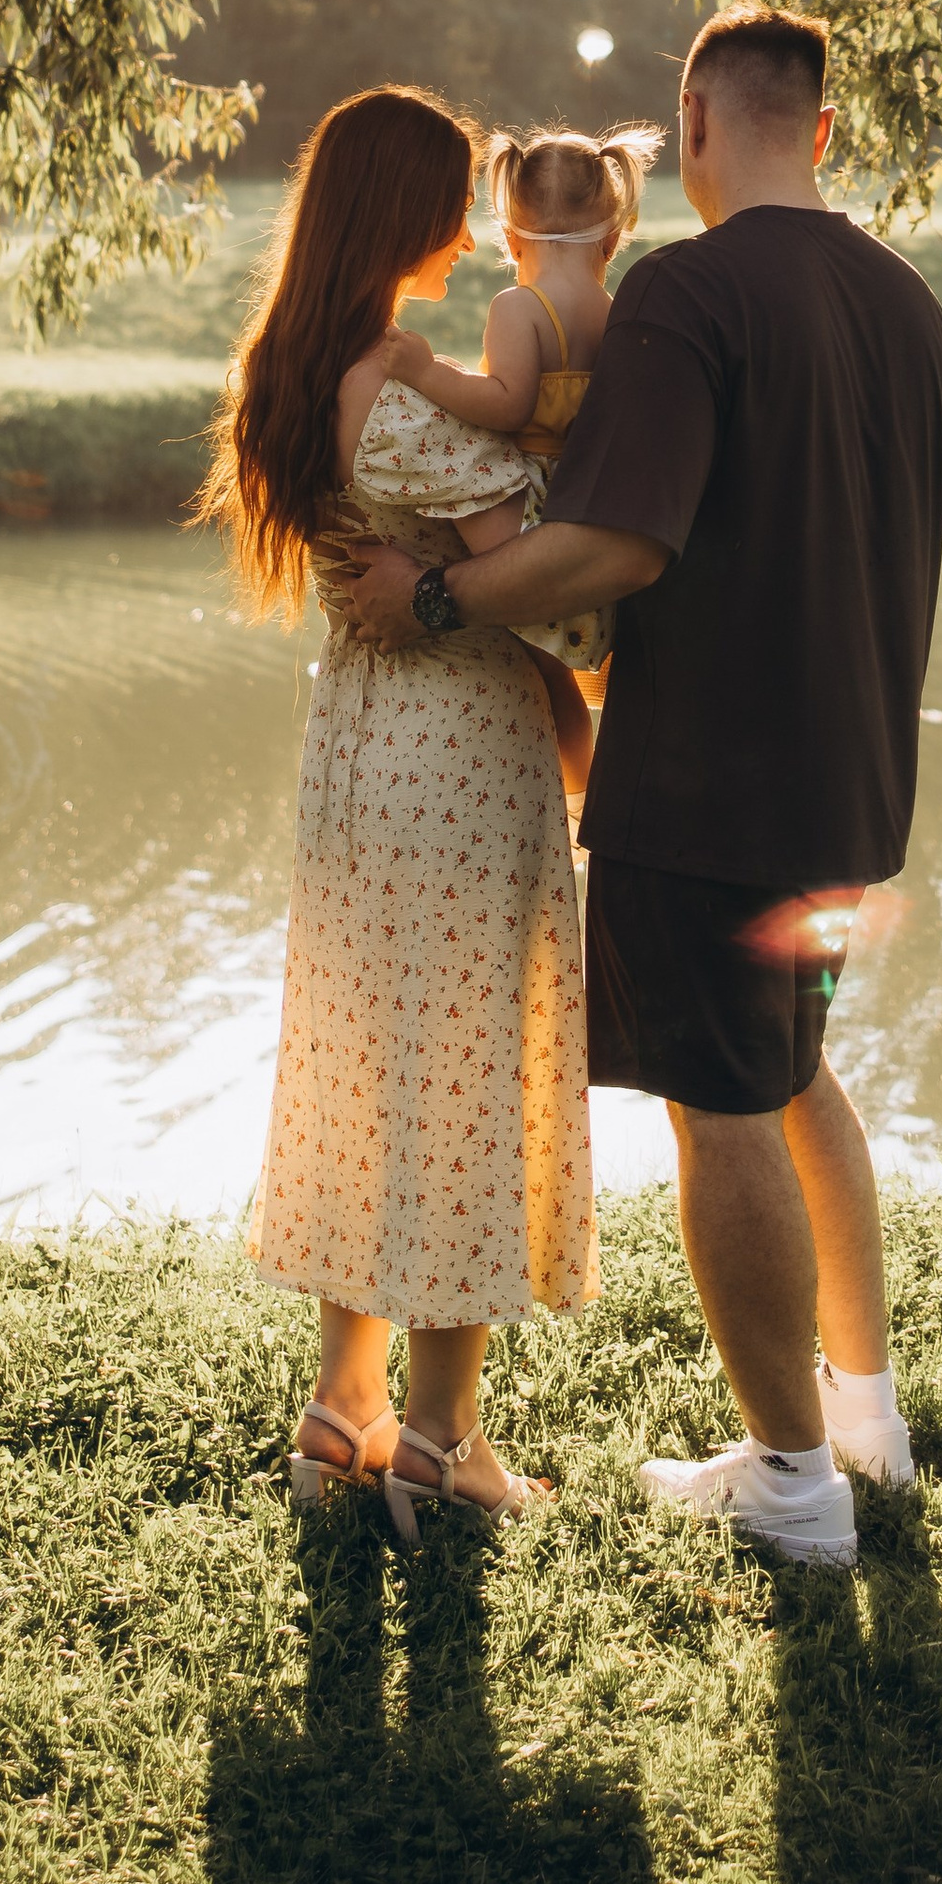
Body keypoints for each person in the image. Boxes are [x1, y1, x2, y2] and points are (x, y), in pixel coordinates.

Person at [349, 4, 942, 1569]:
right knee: (796, 1071)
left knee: (724, 1108)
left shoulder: (690, 294)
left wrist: (429, 600)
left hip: (709, 785)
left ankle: (794, 1482)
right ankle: (864, 1411)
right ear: (818, 132)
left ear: (693, 128)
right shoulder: (908, 303)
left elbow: (613, 545)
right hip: (853, 781)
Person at [201, 85, 593, 1541]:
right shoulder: (404, 399)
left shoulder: (298, 370)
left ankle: (340, 1408)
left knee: (372, 1067)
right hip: (454, 753)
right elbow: (561, 582)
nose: (468, 217)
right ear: (409, 214)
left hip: (354, 751)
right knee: (463, 1078)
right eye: (453, 193)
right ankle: (439, 1443)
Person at [386, 121, 664, 793]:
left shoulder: (520, 308)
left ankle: (573, 792)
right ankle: (591, 791)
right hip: (590, 504)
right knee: (575, 674)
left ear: (511, 240)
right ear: (612, 236)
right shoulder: (612, 308)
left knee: (535, 666)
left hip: (533, 503)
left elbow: (508, 405)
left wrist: (428, 374)